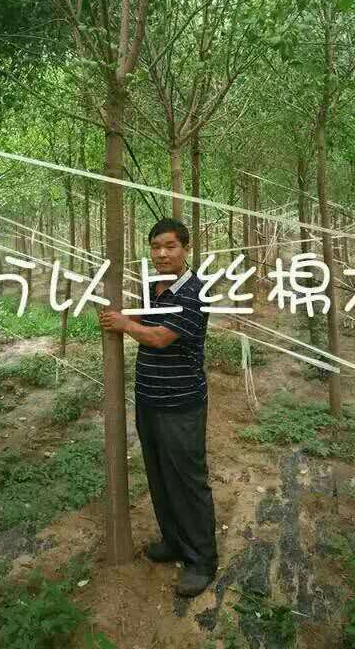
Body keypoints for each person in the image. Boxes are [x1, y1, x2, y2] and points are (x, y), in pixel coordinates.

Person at [99, 217, 218, 597]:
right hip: (150, 400)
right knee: (160, 477)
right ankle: (174, 542)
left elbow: (160, 337)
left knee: (187, 481)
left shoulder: (196, 292)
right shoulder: (154, 287)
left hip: (180, 405)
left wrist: (124, 324)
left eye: (170, 246)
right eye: (155, 247)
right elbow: (147, 319)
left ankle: (201, 561)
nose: (162, 254)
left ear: (186, 249)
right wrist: (125, 316)